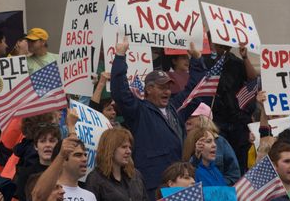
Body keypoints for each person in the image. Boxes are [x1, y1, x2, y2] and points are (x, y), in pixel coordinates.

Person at [111, 38, 207, 200]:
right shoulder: (139, 111)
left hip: (178, 183)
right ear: (149, 89)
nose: (167, 92)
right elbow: (120, 92)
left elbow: (195, 92)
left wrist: (197, 60)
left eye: (169, 87)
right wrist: (120, 56)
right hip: (153, 186)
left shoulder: (175, 107)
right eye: (162, 87)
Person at [202, 40, 258, 174]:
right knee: (221, 159)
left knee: (242, 160)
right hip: (218, 120)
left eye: (223, 45)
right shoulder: (206, 62)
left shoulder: (236, 61)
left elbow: (252, 78)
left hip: (237, 120)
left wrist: (245, 57)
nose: (220, 47)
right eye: (217, 44)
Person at [32, 110, 97, 201]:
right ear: (63, 160)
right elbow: (38, 196)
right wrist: (71, 127)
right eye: (78, 155)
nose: (84, 159)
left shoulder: (90, 196)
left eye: (85, 155)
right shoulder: (50, 192)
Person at [183, 102, 240, 185]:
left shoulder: (221, 142)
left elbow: (234, 174)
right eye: (209, 142)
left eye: (191, 116)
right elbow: (186, 173)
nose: (214, 145)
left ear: (203, 119)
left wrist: (216, 186)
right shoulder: (184, 141)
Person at [85, 128, 147, 201]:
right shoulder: (95, 179)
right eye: (124, 147)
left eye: (130, 147)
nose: (129, 151)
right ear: (110, 149)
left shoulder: (136, 176)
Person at [14, 117, 61, 201]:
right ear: (35, 146)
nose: (47, 145)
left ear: (58, 145)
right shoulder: (25, 175)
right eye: (42, 141)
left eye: (52, 141)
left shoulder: (66, 172)